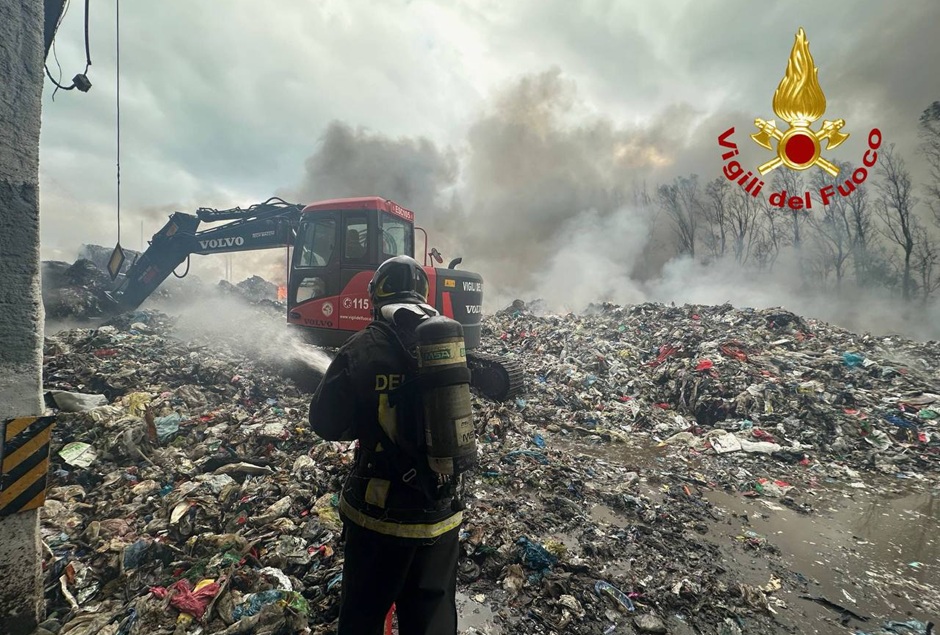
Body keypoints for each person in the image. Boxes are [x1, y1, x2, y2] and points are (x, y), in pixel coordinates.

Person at [309, 255, 464, 635]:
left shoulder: (363, 346)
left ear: (376, 294)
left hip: (379, 514)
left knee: (364, 614)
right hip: (442, 509)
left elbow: (325, 422)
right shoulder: (447, 344)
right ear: (424, 293)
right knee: (432, 618)